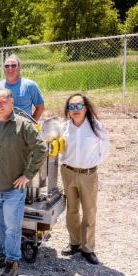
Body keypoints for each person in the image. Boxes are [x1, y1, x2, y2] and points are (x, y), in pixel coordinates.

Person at [0, 88, 47, 276]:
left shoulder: (23, 125)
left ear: (12, 103)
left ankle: (13, 263)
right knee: (1, 225)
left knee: (12, 228)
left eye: (3, 101)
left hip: (13, 190)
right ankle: (5, 254)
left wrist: (27, 175)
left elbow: (41, 149)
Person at [60, 94, 110, 265]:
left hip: (89, 175)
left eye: (79, 106)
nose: (75, 110)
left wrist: (91, 165)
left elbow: (104, 151)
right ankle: (74, 243)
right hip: (68, 172)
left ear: (86, 108)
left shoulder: (97, 128)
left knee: (89, 211)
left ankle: (88, 248)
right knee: (71, 210)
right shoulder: (64, 128)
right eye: (71, 106)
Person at [0, 55, 45, 121]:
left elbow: (40, 107)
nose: (10, 68)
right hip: (3, 128)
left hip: (23, 129)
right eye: (7, 66)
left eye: (13, 65)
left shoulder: (30, 85)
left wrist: (31, 125)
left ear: (19, 68)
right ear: (4, 69)